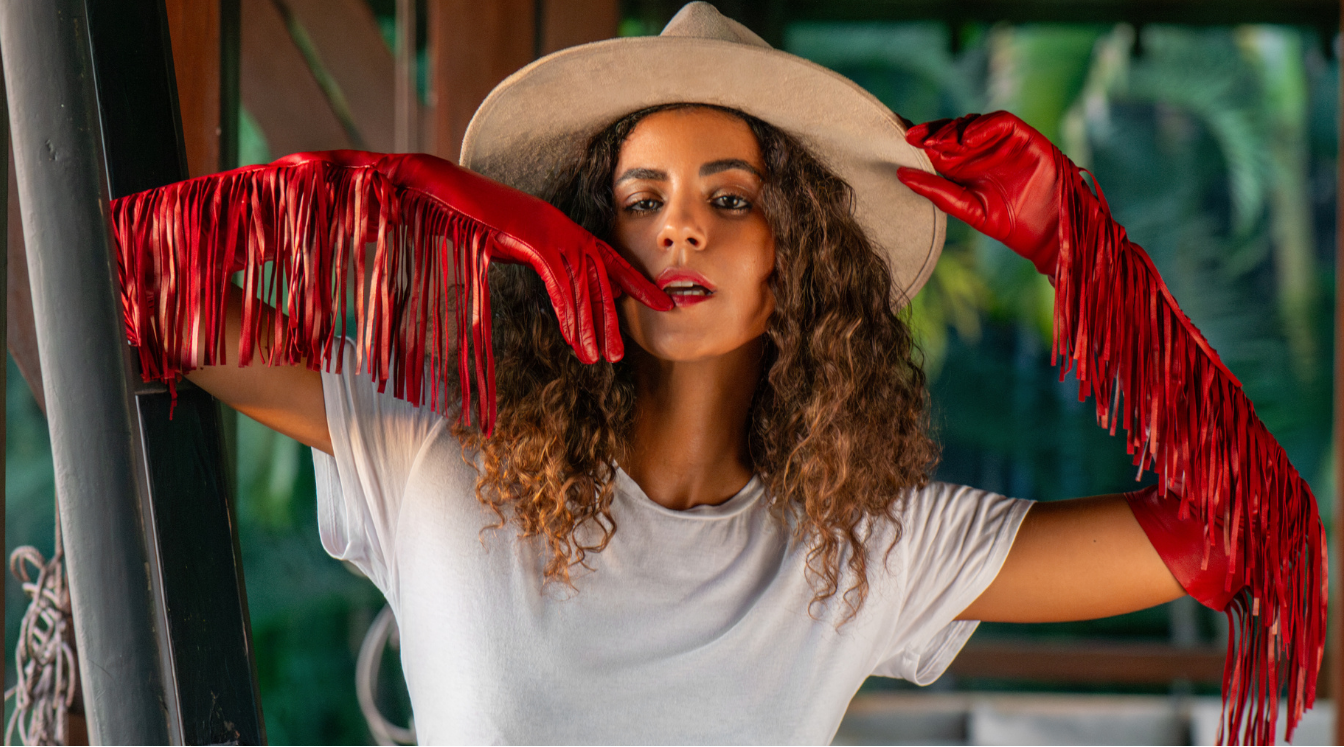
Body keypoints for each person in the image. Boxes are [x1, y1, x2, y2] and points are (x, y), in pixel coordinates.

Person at [109, 3, 1322, 744]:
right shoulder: (437, 448)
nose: (678, 230)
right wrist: (437, 206)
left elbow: (1241, 536)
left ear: (794, 266)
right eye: (640, 202)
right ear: (585, 235)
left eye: (727, 201)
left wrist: (1079, 242)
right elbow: (119, 277)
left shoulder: (872, 545)